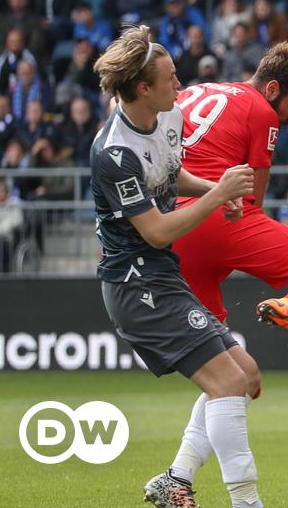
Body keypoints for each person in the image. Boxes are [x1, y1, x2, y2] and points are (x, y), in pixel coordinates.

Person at [89, 25, 261, 508]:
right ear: (143, 88)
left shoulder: (170, 116)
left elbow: (168, 173)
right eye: (170, 79)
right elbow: (157, 230)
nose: (181, 86)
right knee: (227, 382)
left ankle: (175, 480)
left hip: (161, 274)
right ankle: (248, 503)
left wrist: (213, 191)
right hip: (134, 285)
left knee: (244, 375)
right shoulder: (113, 153)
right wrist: (222, 193)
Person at [171, 41, 288, 348]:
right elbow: (253, 198)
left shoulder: (195, 91)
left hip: (174, 224)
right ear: (272, 88)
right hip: (221, 215)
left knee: (226, 365)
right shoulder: (260, 110)